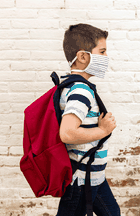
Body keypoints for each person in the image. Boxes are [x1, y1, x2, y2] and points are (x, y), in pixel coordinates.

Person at [56, 23, 120, 216]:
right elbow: (67, 133)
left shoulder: (77, 86)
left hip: (93, 175)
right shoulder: (81, 91)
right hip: (81, 179)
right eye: (102, 51)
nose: (106, 57)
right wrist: (103, 130)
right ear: (83, 56)